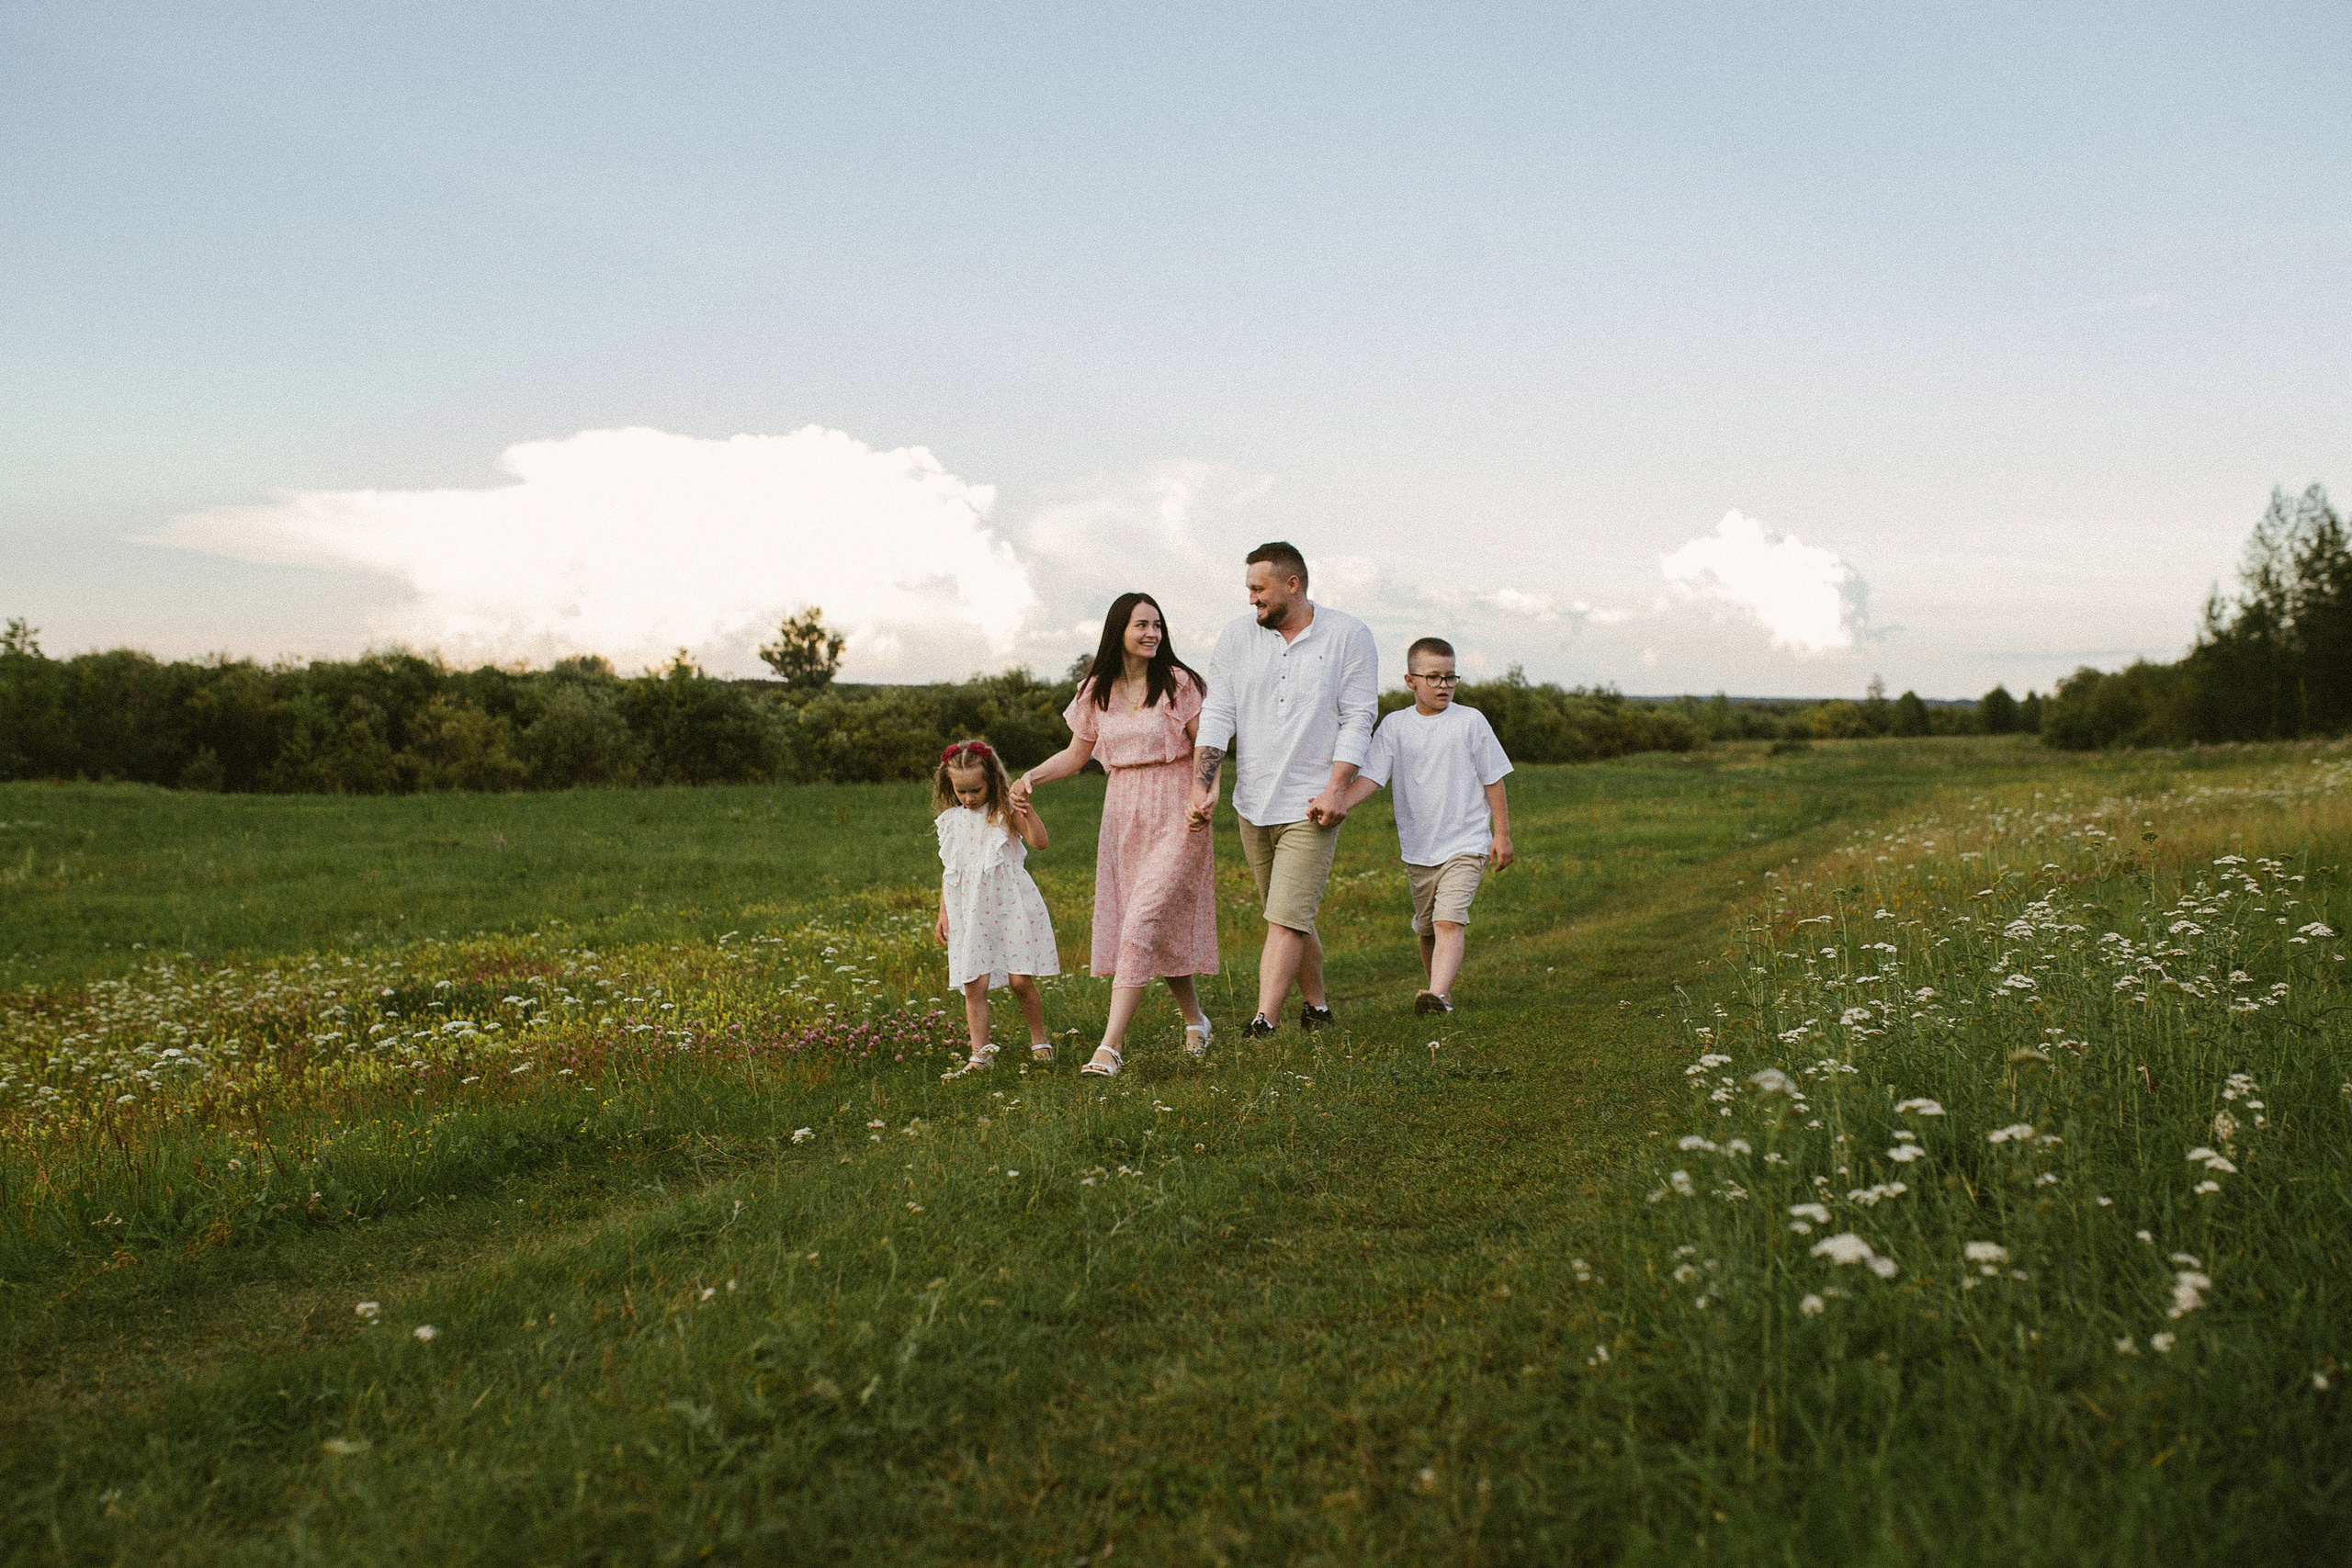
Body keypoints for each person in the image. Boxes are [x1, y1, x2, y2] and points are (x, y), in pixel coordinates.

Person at [1013, 592, 1217, 1077]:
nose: (1152, 634)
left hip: (1177, 808)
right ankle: (1196, 1020)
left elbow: (1205, 744)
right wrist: (1031, 777)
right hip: (1123, 811)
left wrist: (1203, 794)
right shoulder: (1095, 690)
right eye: (1141, 625)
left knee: (1142, 919)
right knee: (1149, 925)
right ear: (1118, 631)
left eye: (1158, 626)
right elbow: (1076, 754)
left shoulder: (1179, 683)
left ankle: (1110, 1048)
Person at [1189, 541, 1378, 1036]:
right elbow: (1218, 714)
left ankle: (1264, 1021)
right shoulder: (1236, 637)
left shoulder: (1349, 635)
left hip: (1312, 804)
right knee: (1288, 913)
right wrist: (1203, 784)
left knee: (1286, 917)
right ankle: (1316, 1007)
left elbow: (1359, 718)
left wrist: (1338, 788)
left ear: (1292, 584)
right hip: (1252, 803)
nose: (1251, 598)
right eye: (1249, 589)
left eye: (1259, 588)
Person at [1338, 637, 1514, 1014]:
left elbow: (1493, 778)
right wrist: (1338, 803)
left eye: (1450, 677)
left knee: (1449, 919)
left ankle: (1435, 995)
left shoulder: (1470, 721)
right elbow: (1371, 778)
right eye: (1433, 677)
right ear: (1410, 680)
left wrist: (1501, 834)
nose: (1443, 686)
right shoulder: (1395, 726)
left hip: (1466, 842)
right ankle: (1440, 997)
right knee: (1427, 928)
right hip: (1419, 847)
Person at [932, 739, 1058, 1071]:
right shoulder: (951, 822)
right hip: (968, 910)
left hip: (1008, 904)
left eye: (976, 789)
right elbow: (951, 872)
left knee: (1020, 981)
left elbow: (1040, 842)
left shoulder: (1005, 813)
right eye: (961, 791)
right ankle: (980, 1053)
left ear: (992, 780)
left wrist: (1025, 810)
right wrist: (943, 914)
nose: (969, 798)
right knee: (974, 982)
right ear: (950, 787)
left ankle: (1039, 1041)